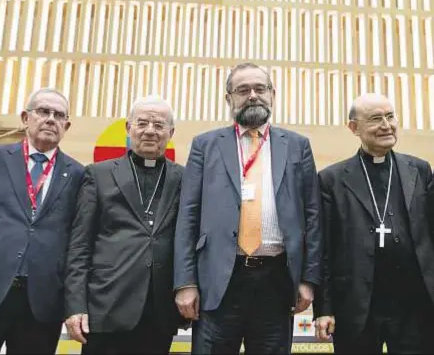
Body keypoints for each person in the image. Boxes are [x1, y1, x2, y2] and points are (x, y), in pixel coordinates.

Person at [174, 62, 322, 354]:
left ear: (272, 94)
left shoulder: (297, 145)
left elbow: (313, 216)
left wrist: (309, 280)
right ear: (229, 98)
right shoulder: (205, 145)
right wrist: (185, 283)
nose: (253, 95)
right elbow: (188, 215)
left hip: (276, 281)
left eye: (260, 88)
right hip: (218, 280)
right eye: (243, 90)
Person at [0, 88, 85, 354]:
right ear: (25, 117)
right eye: (43, 111)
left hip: (41, 301)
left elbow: (74, 235)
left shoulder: (77, 173)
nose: (50, 119)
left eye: (58, 115)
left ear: (66, 126)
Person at [313, 93, 434, 354]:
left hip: (415, 304)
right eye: (376, 119)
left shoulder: (420, 170)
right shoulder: (330, 180)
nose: (386, 125)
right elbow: (322, 249)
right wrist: (324, 308)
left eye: (390, 117)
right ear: (354, 128)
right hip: (356, 306)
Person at [64, 96, 185, 354]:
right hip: (106, 304)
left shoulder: (184, 178)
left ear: (170, 133)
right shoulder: (98, 174)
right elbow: (79, 246)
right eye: (142, 123)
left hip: (159, 310)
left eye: (159, 125)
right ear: (128, 128)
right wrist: (75, 305)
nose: (150, 131)